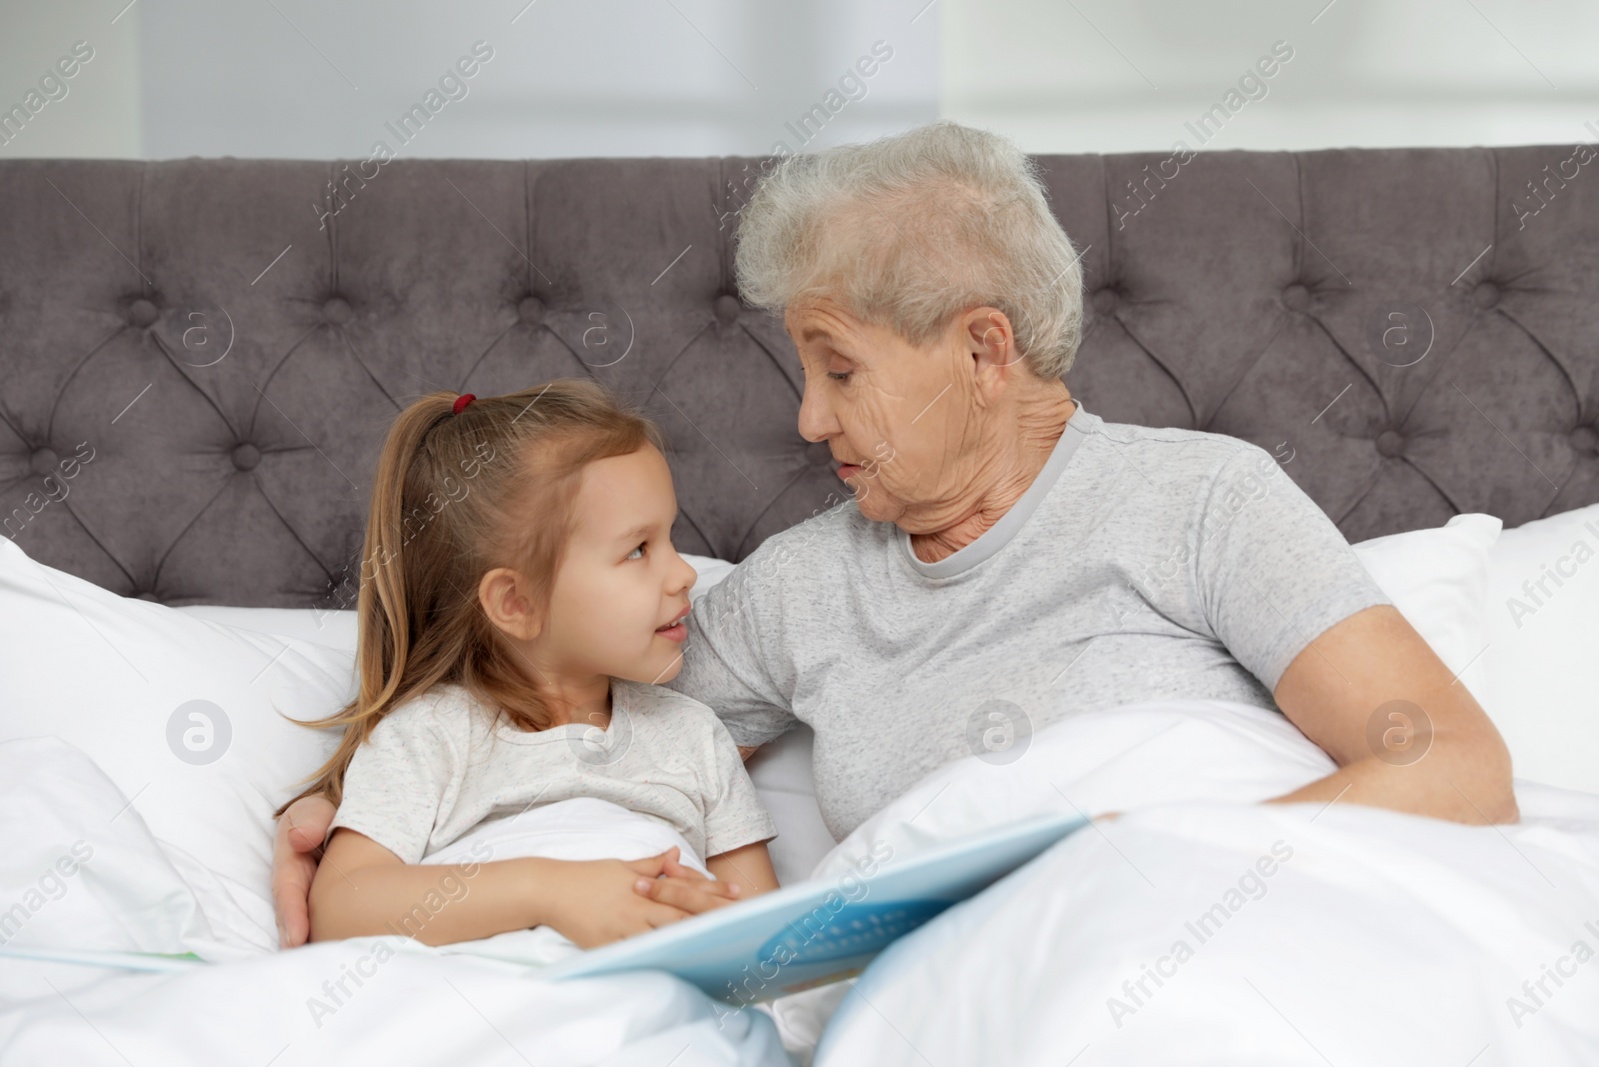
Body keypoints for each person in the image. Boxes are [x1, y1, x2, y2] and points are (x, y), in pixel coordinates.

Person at [273, 121, 1516, 946]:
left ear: (982, 348)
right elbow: (552, 694)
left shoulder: (1201, 501)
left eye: (839, 368)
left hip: (1212, 945)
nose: (808, 418)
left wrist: (1128, 866)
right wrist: (337, 806)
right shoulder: (799, 588)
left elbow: (1452, 769)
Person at [277, 380, 779, 950]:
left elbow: (768, 943)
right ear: (517, 603)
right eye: (639, 549)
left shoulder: (694, 738)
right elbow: (343, 908)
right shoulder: (432, 736)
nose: (684, 573)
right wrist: (549, 891)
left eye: (670, 538)